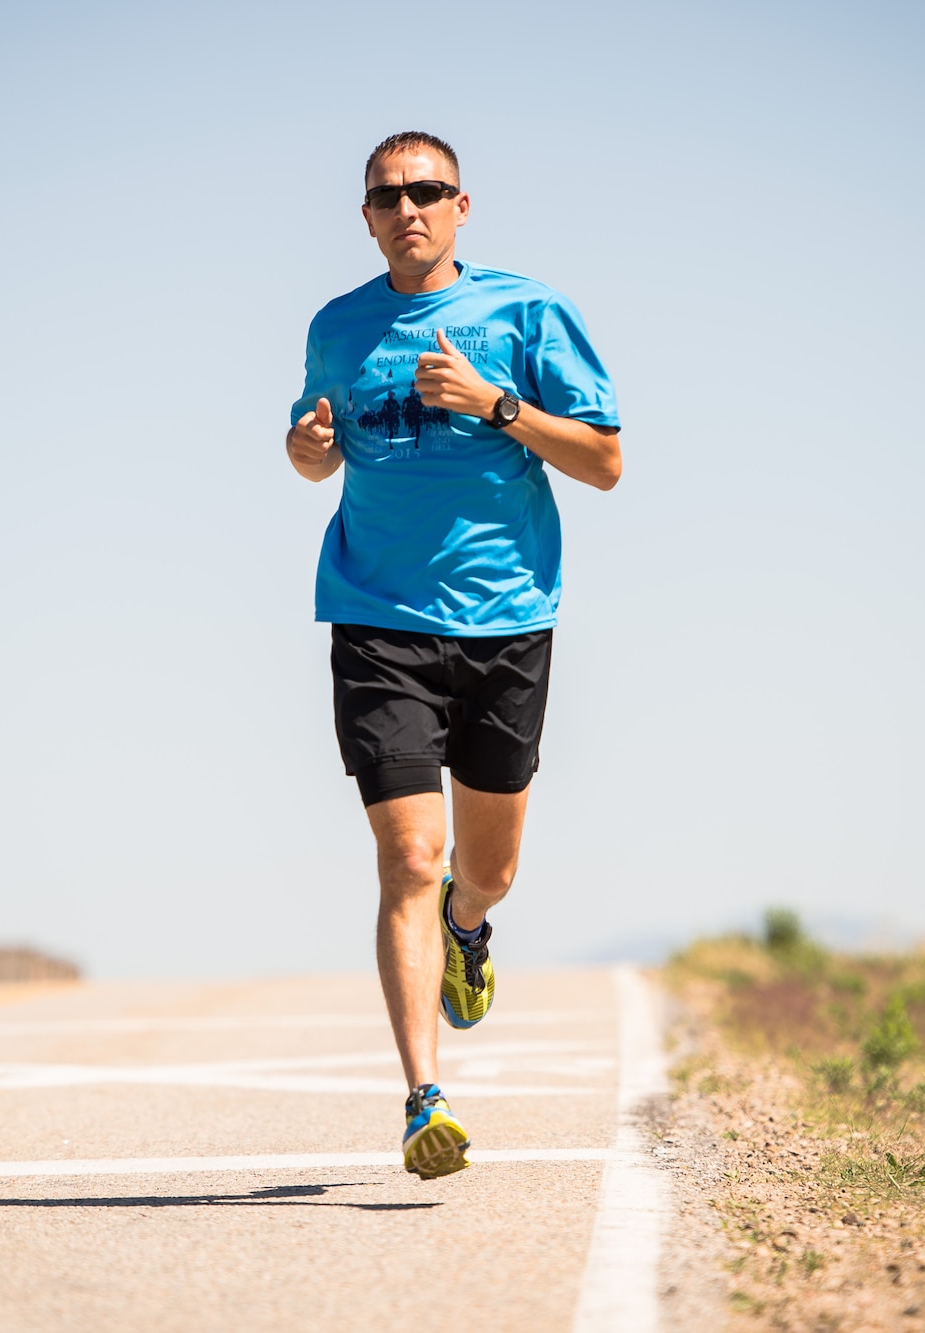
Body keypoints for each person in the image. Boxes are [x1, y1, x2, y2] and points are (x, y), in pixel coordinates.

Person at [284, 131, 623, 1179]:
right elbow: (313, 445)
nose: (407, 210)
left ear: (462, 206)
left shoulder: (526, 312)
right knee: (408, 860)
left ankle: (466, 929)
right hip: (376, 616)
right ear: (366, 217)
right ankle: (421, 1097)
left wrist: (495, 405)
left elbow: (605, 461)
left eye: (426, 192)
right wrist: (305, 451)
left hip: (505, 620)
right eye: (387, 197)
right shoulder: (337, 326)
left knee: (483, 871)